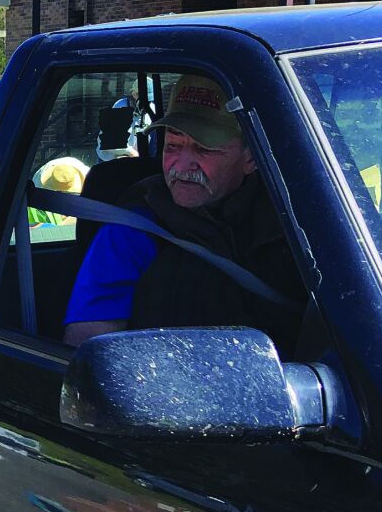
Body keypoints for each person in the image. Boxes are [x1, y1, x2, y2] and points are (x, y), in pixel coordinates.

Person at [64, 74, 303, 354]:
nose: (182, 165)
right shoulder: (132, 231)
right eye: (172, 146)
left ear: (251, 158)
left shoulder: (294, 222)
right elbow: (87, 353)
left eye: (204, 149)